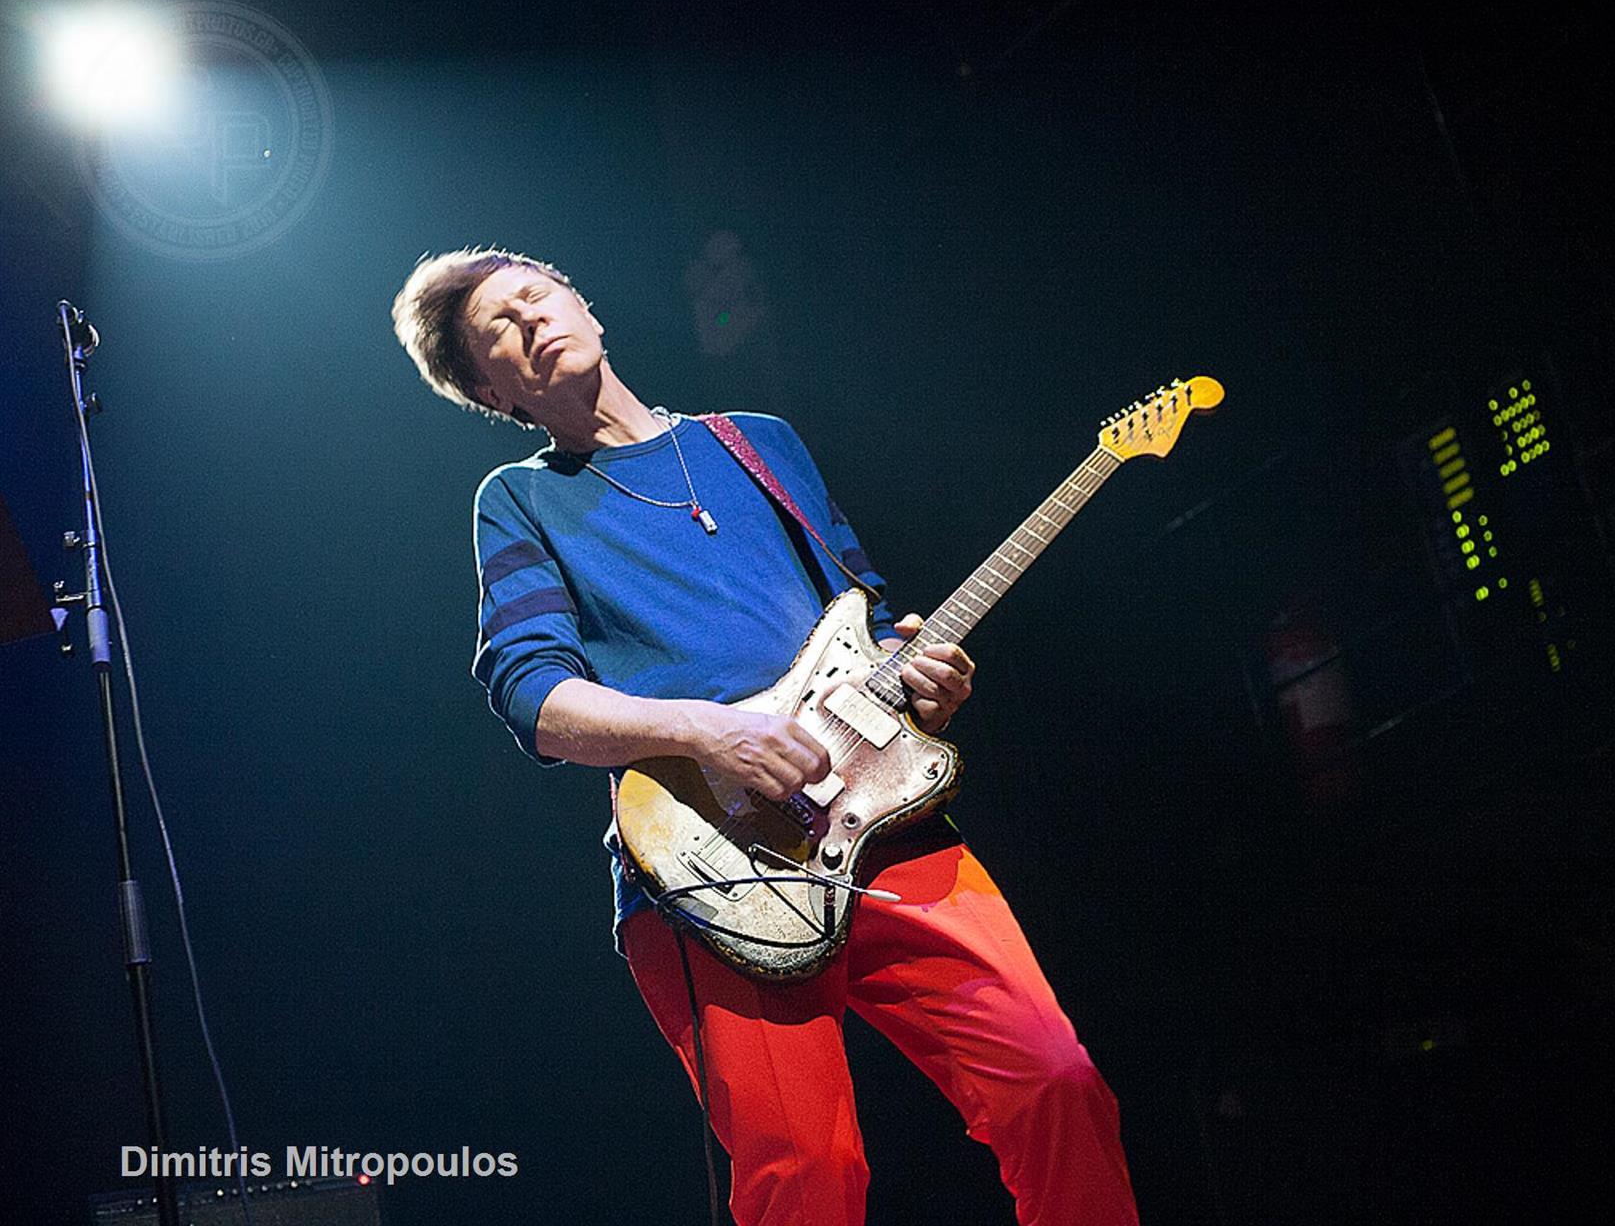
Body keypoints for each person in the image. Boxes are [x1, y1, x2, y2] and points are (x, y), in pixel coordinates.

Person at [391, 248, 1137, 1226]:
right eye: (500, 325)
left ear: (585, 304)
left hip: (884, 826)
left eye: (537, 293)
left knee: (1055, 1082)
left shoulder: (758, 442)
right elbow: (533, 695)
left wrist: (920, 674)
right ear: (492, 389)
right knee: (807, 1173)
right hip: (714, 865)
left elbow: (862, 616)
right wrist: (707, 731)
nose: (530, 318)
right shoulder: (522, 499)